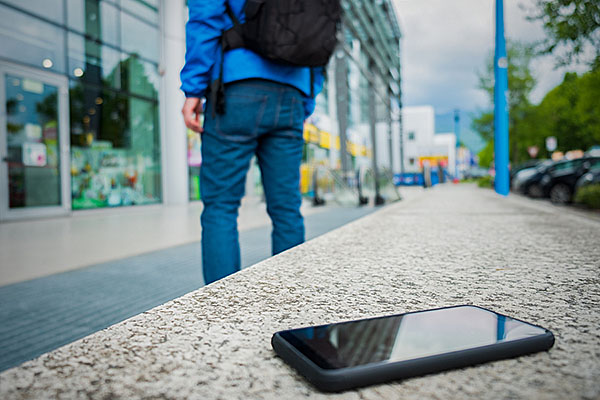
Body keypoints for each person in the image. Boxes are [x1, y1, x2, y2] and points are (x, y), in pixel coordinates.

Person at [180, 0, 324, 284]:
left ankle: (223, 312)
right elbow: (320, 31)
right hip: (292, 91)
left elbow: (205, 17)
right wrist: (307, 98)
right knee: (286, 209)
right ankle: (295, 318)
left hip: (237, 87)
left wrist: (194, 88)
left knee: (220, 206)